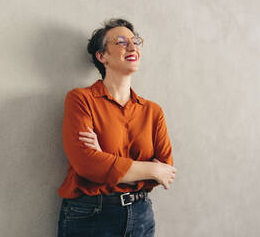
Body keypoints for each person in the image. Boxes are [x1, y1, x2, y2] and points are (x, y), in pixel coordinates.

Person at [56, 18, 178, 237]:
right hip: (91, 216)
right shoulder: (81, 99)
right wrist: (151, 169)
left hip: (141, 215)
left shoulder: (153, 111)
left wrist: (104, 158)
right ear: (102, 56)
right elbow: (87, 164)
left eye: (135, 41)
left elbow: (167, 171)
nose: (132, 47)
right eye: (121, 42)